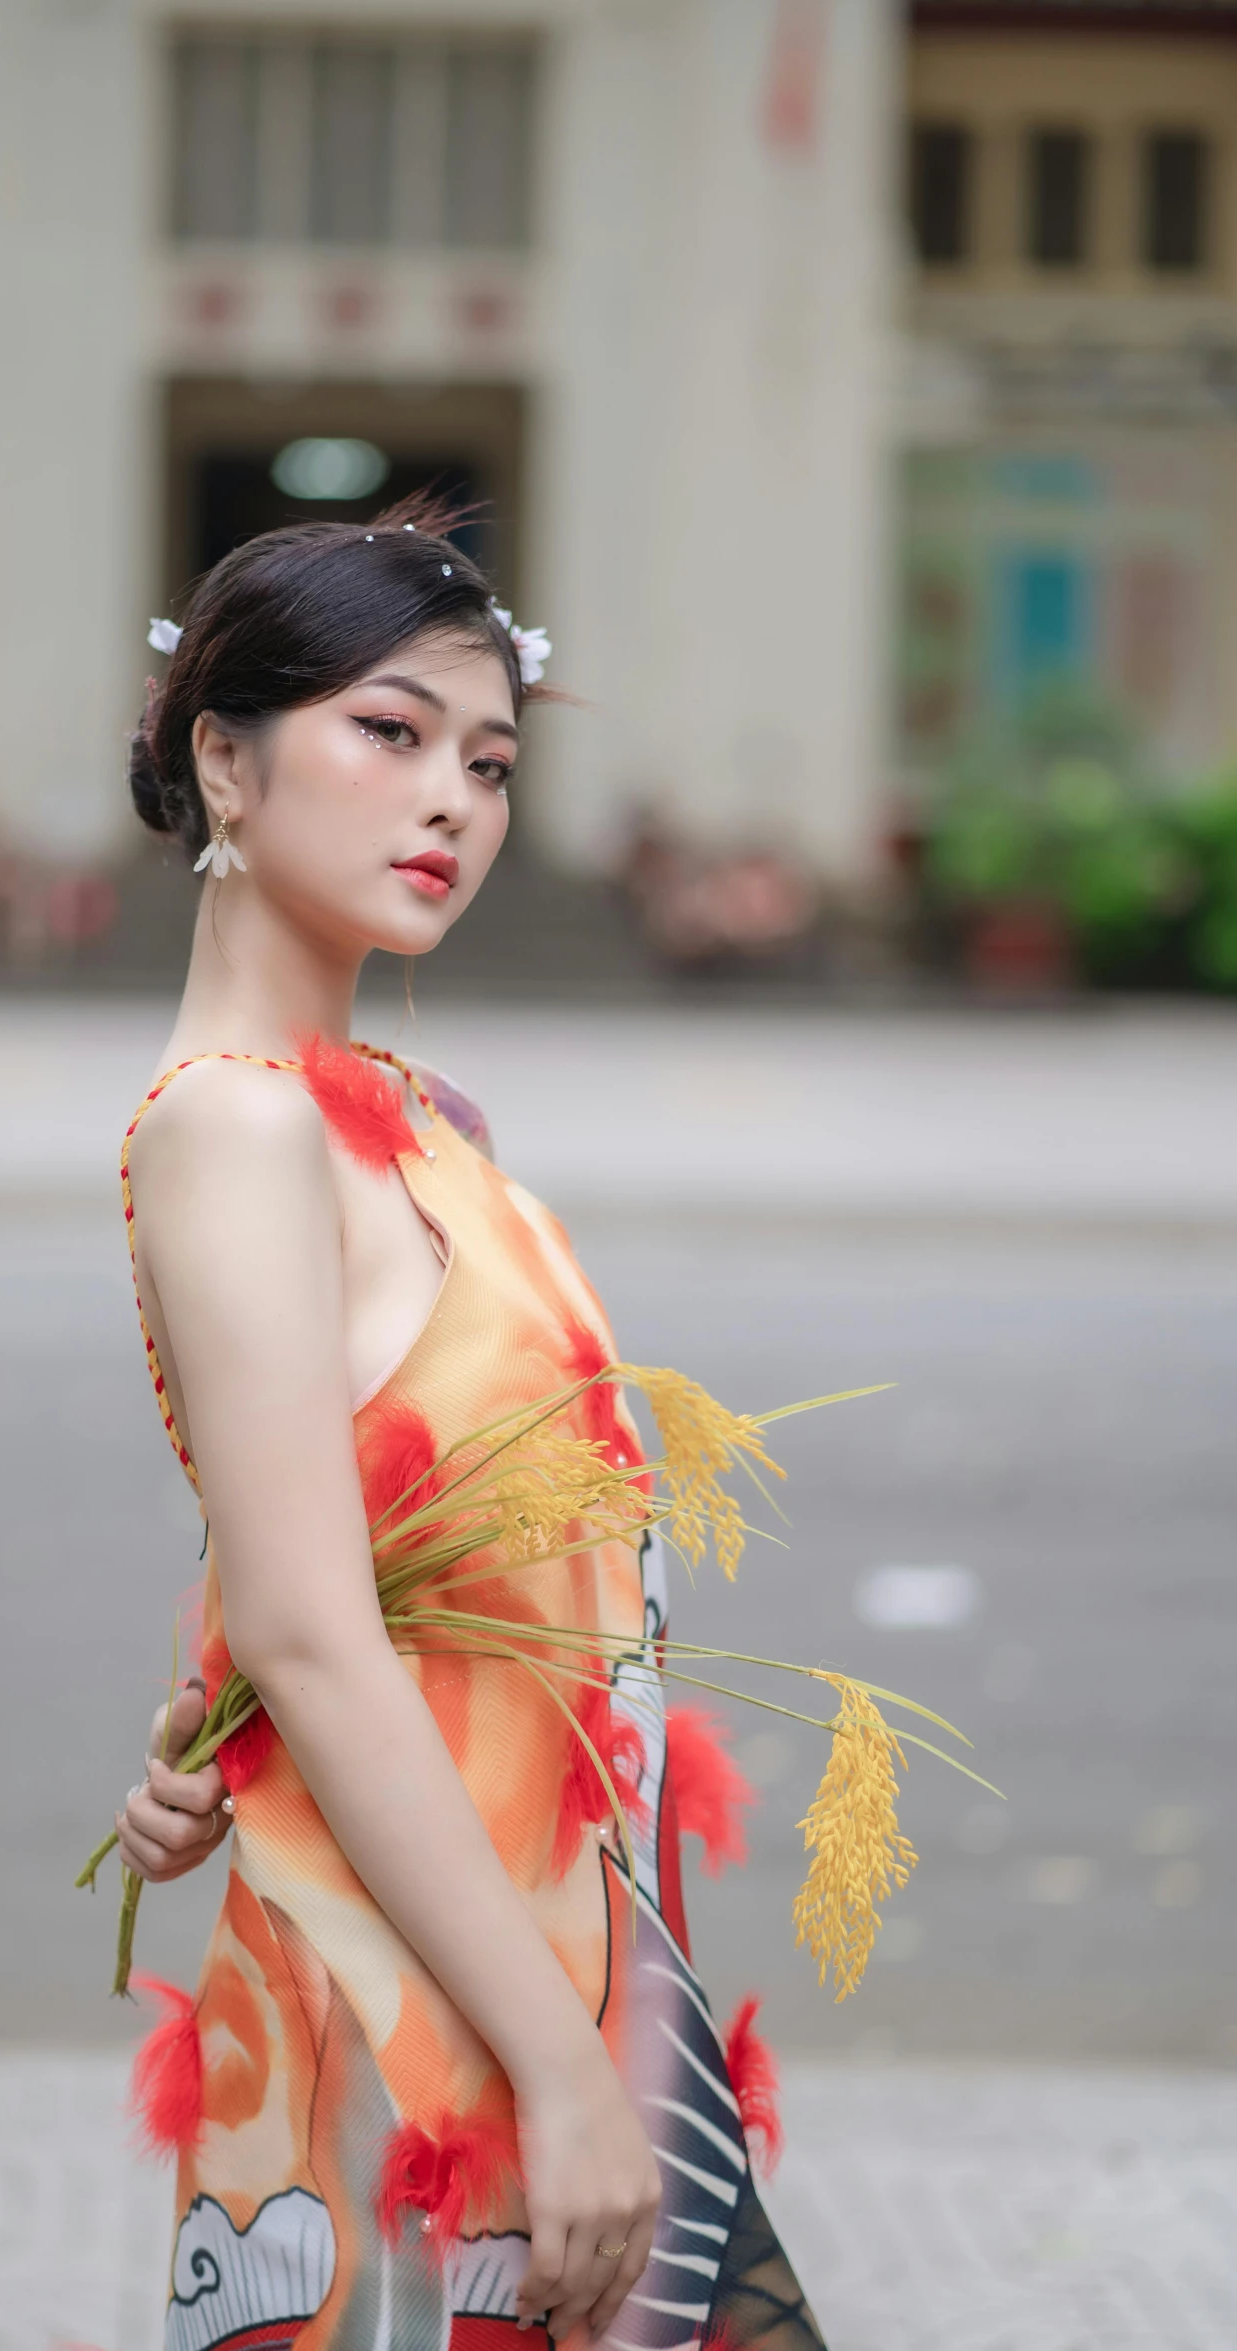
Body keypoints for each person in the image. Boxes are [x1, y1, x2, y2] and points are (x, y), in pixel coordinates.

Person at [109, 497, 824, 2350]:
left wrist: (210, 1724)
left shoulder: (417, 1111)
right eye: (390, 731)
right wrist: (557, 2071)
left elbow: (311, 1545)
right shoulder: (236, 1125)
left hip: (552, 1938)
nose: (453, 801)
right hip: (422, 2008)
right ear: (225, 760)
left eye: (489, 761)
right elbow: (308, 1616)